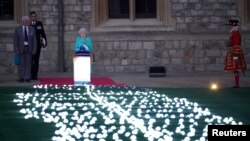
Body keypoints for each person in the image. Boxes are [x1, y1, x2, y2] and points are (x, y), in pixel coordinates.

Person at [13, 16, 37, 82]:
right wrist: (16, 50)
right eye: (24, 21)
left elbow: (34, 41)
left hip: (29, 49)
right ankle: (22, 77)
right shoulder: (18, 29)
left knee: (29, 63)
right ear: (22, 22)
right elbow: (15, 42)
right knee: (21, 64)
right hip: (21, 49)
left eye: (27, 21)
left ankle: (27, 77)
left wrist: (34, 50)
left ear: (29, 22)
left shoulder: (32, 29)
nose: (26, 22)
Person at [224, 19, 247, 88]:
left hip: (235, 53)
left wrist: (235, 55)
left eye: (231, 26)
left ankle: (237, 84)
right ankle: (236, 84)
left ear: (234, 26)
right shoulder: (234, 34)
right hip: (233, 52)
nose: (230, 27)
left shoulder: (236, 34)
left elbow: (236, 45)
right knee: (235, 69)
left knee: (235, 68)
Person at [30, 11, 47, 80]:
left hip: (37, 46)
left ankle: (35, 76)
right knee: (30, 61)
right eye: (32, 16)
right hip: (30, 46)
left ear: (36, 17)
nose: (33, 17)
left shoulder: (39, 24)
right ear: (30, 17)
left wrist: (45, 43)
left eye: (35, 16)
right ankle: (31, 75)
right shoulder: (28, 24)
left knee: (36, 61)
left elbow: (43, 34)